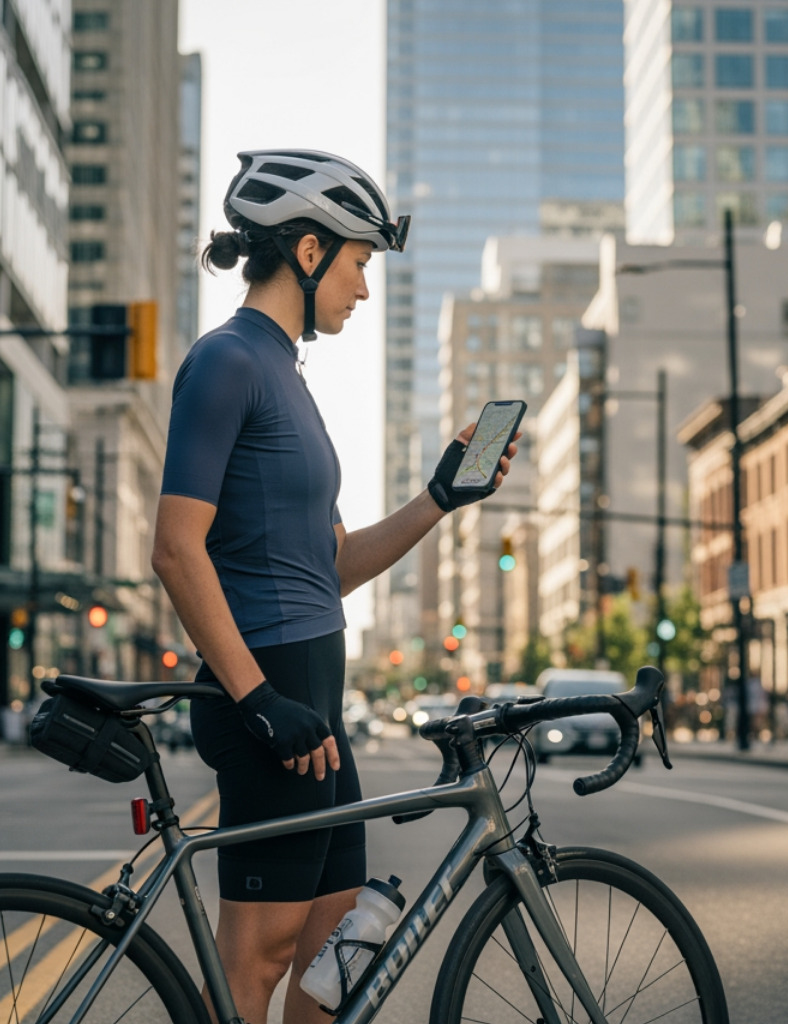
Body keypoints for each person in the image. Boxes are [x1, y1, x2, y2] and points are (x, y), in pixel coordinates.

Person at [151, 150, 518, 1024]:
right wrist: (258, 699)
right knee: (257, 964)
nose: (361, 288)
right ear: (308, 252)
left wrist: (440, 496)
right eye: (358, 264)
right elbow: (174, 548)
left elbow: (334, 568)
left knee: (332, 959)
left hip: (312, 701)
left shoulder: (288, 376)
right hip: (268, 699)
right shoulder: (228, 361)